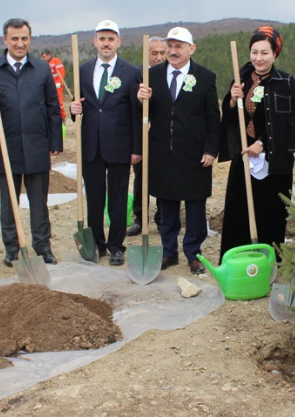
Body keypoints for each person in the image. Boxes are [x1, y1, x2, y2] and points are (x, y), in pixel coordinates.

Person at [0, 18, 63, 266]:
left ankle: (43, 247)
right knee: (9, 203)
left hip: (36, 145)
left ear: (30, 39)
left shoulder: (41, 69)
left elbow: (53, 107)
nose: (20, 43)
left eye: (24, 38)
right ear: (5, 40)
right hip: (6, 146)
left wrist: (55, 140)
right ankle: (12, 248)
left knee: (39, 202)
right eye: (14, 38)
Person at [136, 27, 219, 274]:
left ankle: (193, 253)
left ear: (191, 49)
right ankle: (168, 252)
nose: (172, 51)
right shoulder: (151, 75)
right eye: (170, 46)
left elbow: (213, 118)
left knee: (195, 206)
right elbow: (145, 113)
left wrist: (211, 149)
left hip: (195, 153)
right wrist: (141, 100)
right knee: (167, 205)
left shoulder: (205, 77)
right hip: (163, 151)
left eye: (178, 46)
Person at [219, 27, 295, 261]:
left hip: (274, 160)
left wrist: (263, 143)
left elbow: (291, 121)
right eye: (254, 52)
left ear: (275, 54)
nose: (259, 58)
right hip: (245, 155)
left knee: (271, 210)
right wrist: (232, 99)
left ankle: (269, 261)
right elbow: (230, 117)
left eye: (265, 53)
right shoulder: (241, 79)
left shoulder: (285, 82)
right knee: (238, 209)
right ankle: (237, 260)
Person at [69, 20, 141, 266]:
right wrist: (73, 109)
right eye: (102, 39)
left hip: (120, 146)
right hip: (91, 146)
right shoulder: (83, 70)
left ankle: (116, 246)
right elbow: (78, 105)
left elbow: (136, 113)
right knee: (95, 199)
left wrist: (136, 149)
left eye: (111, 39)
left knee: (118, 200)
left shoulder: (131, 72)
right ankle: (98, 244)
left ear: (118, 42)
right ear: (95, 42)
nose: (106, 43)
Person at [128, 36, 166, 237]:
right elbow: (131, 106)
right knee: (141, 177)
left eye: (162, 52)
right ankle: (140, 219)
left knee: (163, 176)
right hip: (142, 134)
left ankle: (163, 219)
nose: (159, 57)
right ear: (146, 54)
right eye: (154, 53)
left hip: (164, 135)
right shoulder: (137, 75)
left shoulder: (170, 74)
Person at [40, 49, 67, 120]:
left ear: (49, 55)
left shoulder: (56, 61)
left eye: (44, 57)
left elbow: (61, 73)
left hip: (57, 84)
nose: (43, 59)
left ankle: (62, 116)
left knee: (58, 100)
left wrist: (58, 83)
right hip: (48, 85)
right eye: (42, 57)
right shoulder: (44, 64)